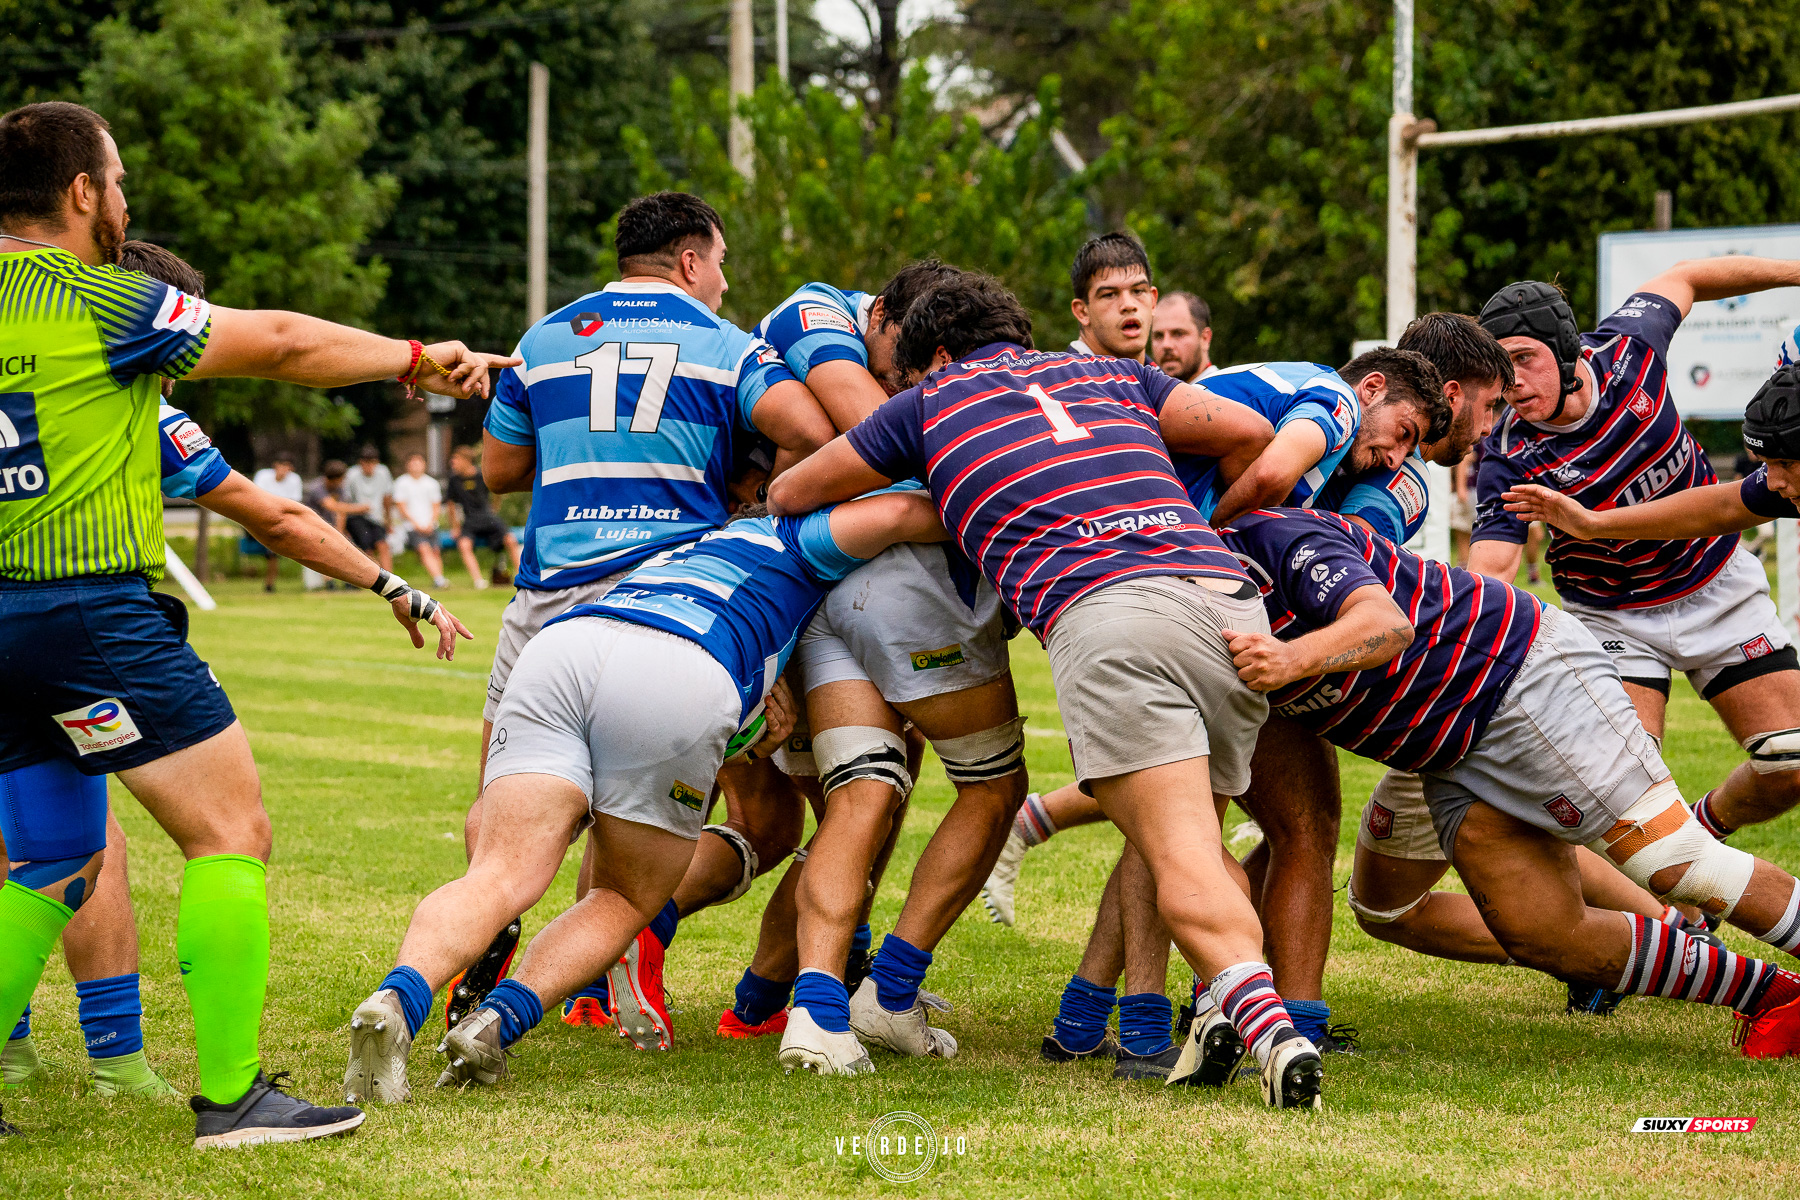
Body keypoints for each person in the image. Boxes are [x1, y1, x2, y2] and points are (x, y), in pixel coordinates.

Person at [0, 102, 509, 1145]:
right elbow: (278, 343)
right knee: (231, 829)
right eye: (120, 180)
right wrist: (416, 357)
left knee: (51, 854)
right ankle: (232, 1097)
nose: (126, 201)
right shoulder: (105, 304)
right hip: (89, 608)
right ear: (82, 192)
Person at [768, 273, 1329, 1108]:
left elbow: (792, 490)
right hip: (1226, 603)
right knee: (1197, 840)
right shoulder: (1116, 374)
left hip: (1108, 614)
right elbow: (1248, 431)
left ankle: (1267, 1026)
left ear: (941, 356)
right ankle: (1229, 1008)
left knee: (1177, 849)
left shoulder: (929, 403)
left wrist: (956, 493)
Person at [340, 488, 946, 1102]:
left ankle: (397, 997)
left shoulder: (684, 548)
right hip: (681, 665)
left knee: (498, 875)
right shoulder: (795, 535)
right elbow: (899, 513)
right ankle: (495, 1023)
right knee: (622, 896)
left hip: (564, 647)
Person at [451, 190, 835, 1046]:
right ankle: (622, 948)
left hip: (548, 597)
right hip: (676, 602)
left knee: (504, 807)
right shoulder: (729, 347)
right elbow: (809, 430)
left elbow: (502, 470)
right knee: (744, 821)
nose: (727, 284)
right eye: (723, 264)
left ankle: (483, 934)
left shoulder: (543, 339)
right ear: (692, 260)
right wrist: (748, 487)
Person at [1211, 506, 1800, 1064]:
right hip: (1441, 751)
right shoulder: (1186, 612)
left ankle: (1686, 931)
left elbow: (1385, 626)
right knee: (1536, 932)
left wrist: (1290, 660)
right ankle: (1772, 995)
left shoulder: (1266, 537)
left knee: (1672, 859)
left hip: (1514, 680)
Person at [735, 263, 1038, 1068]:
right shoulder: (832, 324)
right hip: (905, 591)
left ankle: (816, 1010)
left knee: (862, 798)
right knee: (995, 786)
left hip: (823, 586)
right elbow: (908, 454)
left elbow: (799, 483)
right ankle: (891, 992)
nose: (892, 376)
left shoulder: (850, 346)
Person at [1468, 262, 1800, 844]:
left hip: (1716, 586)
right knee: (1623, 803)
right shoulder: (1507, 451)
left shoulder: (1631, 348)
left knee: (1792, 762)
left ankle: (1703, 831)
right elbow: (1492, 569)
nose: (1512, 381)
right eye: (1500, 366)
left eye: (1524, 359)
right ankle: (1668, 912)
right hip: (1612, 617)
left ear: (1567, 350)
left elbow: (1689, 276)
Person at [1067, 231, 1155, 359]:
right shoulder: (1058, 378)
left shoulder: (1165, 377)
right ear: (1082, 312)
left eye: (1138, 291)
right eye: (1109, 294)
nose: (1128, 305)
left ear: (1153, 301)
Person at [446, 444, 519, 589]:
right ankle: (479, 581)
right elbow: (451, 505)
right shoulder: (453, 480)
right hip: (470, 520)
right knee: (464, 545)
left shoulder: (482, 475)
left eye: (456, 460)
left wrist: (494, 509)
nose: (452, 463)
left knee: (510, 540)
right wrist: (455, 527)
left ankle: (520, 575)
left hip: (488, 518)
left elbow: (497, 492)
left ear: (466, 460)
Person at [246, 455, 302, 592]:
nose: (283, 469)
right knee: (269, 552)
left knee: (272, 553)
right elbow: (257, 499)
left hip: (282, 519)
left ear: (291, 468)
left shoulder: (294, 480)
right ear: (275, 465)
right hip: (259, 517)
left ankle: (269, 584)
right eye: (281, 465)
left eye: (286, 466)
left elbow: (295, 503)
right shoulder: (263, 476)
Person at [392, 452, 448, 589]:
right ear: (408, 465)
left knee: (435, 551)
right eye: (413, 463)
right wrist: (416, 524)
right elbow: (401, 507)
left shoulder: (431, 483)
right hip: (411, 527)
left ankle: (439, 578)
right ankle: (439, 579)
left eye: (419, 462)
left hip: (430, 525)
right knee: (424, 549)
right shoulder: (401, 483)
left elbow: (436, 506)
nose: (416, 466)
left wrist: (430, 522)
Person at [339, 446, 395, 572]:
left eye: (372, 463)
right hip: (356, 517)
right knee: (366, 547)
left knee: (383, 545)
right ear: (361, 463)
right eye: (366, 463)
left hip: (376, 517)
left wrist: (388, 520)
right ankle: (377, 577)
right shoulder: (352, 475)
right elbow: (344, 502)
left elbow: (387, 498)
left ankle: (392, 579)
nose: (369, 467)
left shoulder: (383, 472)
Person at [300, 460, 350, 591]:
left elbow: (341, 512)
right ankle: (329, 582)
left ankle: (349, 581)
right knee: (324, 548)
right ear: (335, 479)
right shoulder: (317, 488)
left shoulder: (340, 488)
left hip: (330, 526)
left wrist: (340, 531)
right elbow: (332, 506)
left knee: (347, 547)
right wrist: (361, 508)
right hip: (311, 525)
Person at [1152, 291, 1216, 382]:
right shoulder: (1146, 394)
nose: (1166, 345)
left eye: (1178, 334)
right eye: (1159, 336)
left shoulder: (1227, 393)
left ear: (1205, 339)